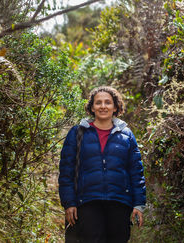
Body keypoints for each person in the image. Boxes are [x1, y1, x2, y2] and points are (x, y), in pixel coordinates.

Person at [59, 86, 146, 243]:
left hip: (119, 202)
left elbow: (136, 171)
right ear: (92, 107)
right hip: (87, 202)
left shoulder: (126, 135)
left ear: (115, 107)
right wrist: (69, 203)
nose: (103, 106)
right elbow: (66, 171)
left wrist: (139, 204)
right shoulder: (77, 133)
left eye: (108, 102)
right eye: (98, 103)